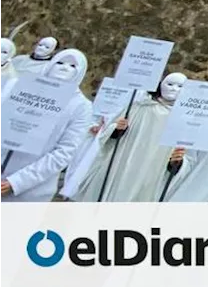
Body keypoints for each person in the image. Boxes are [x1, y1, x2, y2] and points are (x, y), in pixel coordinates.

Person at [69, 72, 187, 202]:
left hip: (152, 170)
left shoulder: (183, 120)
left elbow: (185, 155)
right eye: (169, 84)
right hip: (122, 164)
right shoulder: (139, 106)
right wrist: (117, 129)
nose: (173, 89)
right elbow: (109, 134)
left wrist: (177, 161)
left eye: (179, 86)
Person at [0, 48, 93, 202]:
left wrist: (17, 182)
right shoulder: (17, 85)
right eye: (60, 62)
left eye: (72, 66)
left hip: (28, 192)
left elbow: (64, 151)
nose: (64, 68)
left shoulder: (80, 106)